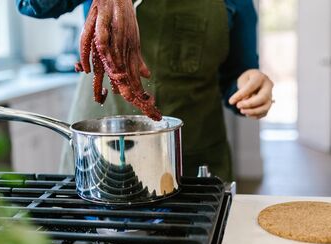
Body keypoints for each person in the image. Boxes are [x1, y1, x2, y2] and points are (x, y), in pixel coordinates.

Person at [16, 0, 274, 181]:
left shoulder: (237, 2)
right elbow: (31, 4)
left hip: (192, 162)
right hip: (98, 157)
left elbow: (237, 74)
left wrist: (249, 86)